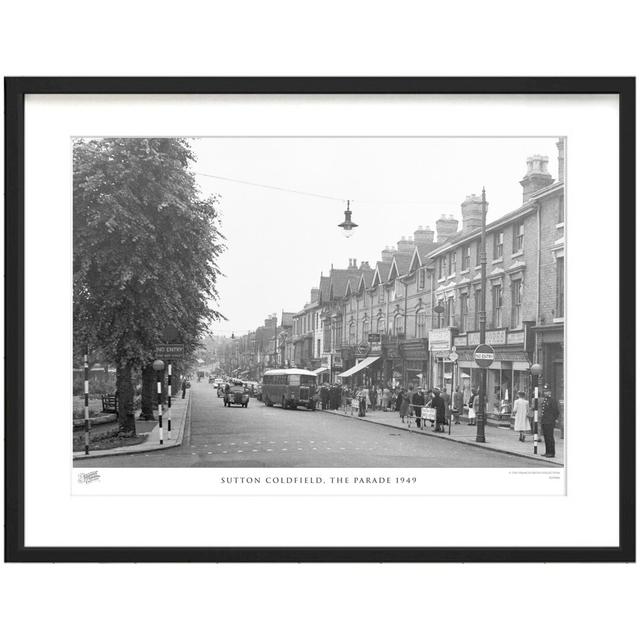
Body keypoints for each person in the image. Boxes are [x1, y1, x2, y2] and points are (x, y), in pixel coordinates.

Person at [539, 384, 560, 458]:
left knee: (550, 437)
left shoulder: (552, 400)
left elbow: (556, 411)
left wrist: (553, 419)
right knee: (546, 437)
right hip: (545, 421)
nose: (545, 393)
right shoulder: (545, 400)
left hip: (549, 421)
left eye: (547, 391)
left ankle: (552, 452)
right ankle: (547, 451)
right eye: (545, 391)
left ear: (550, 392)